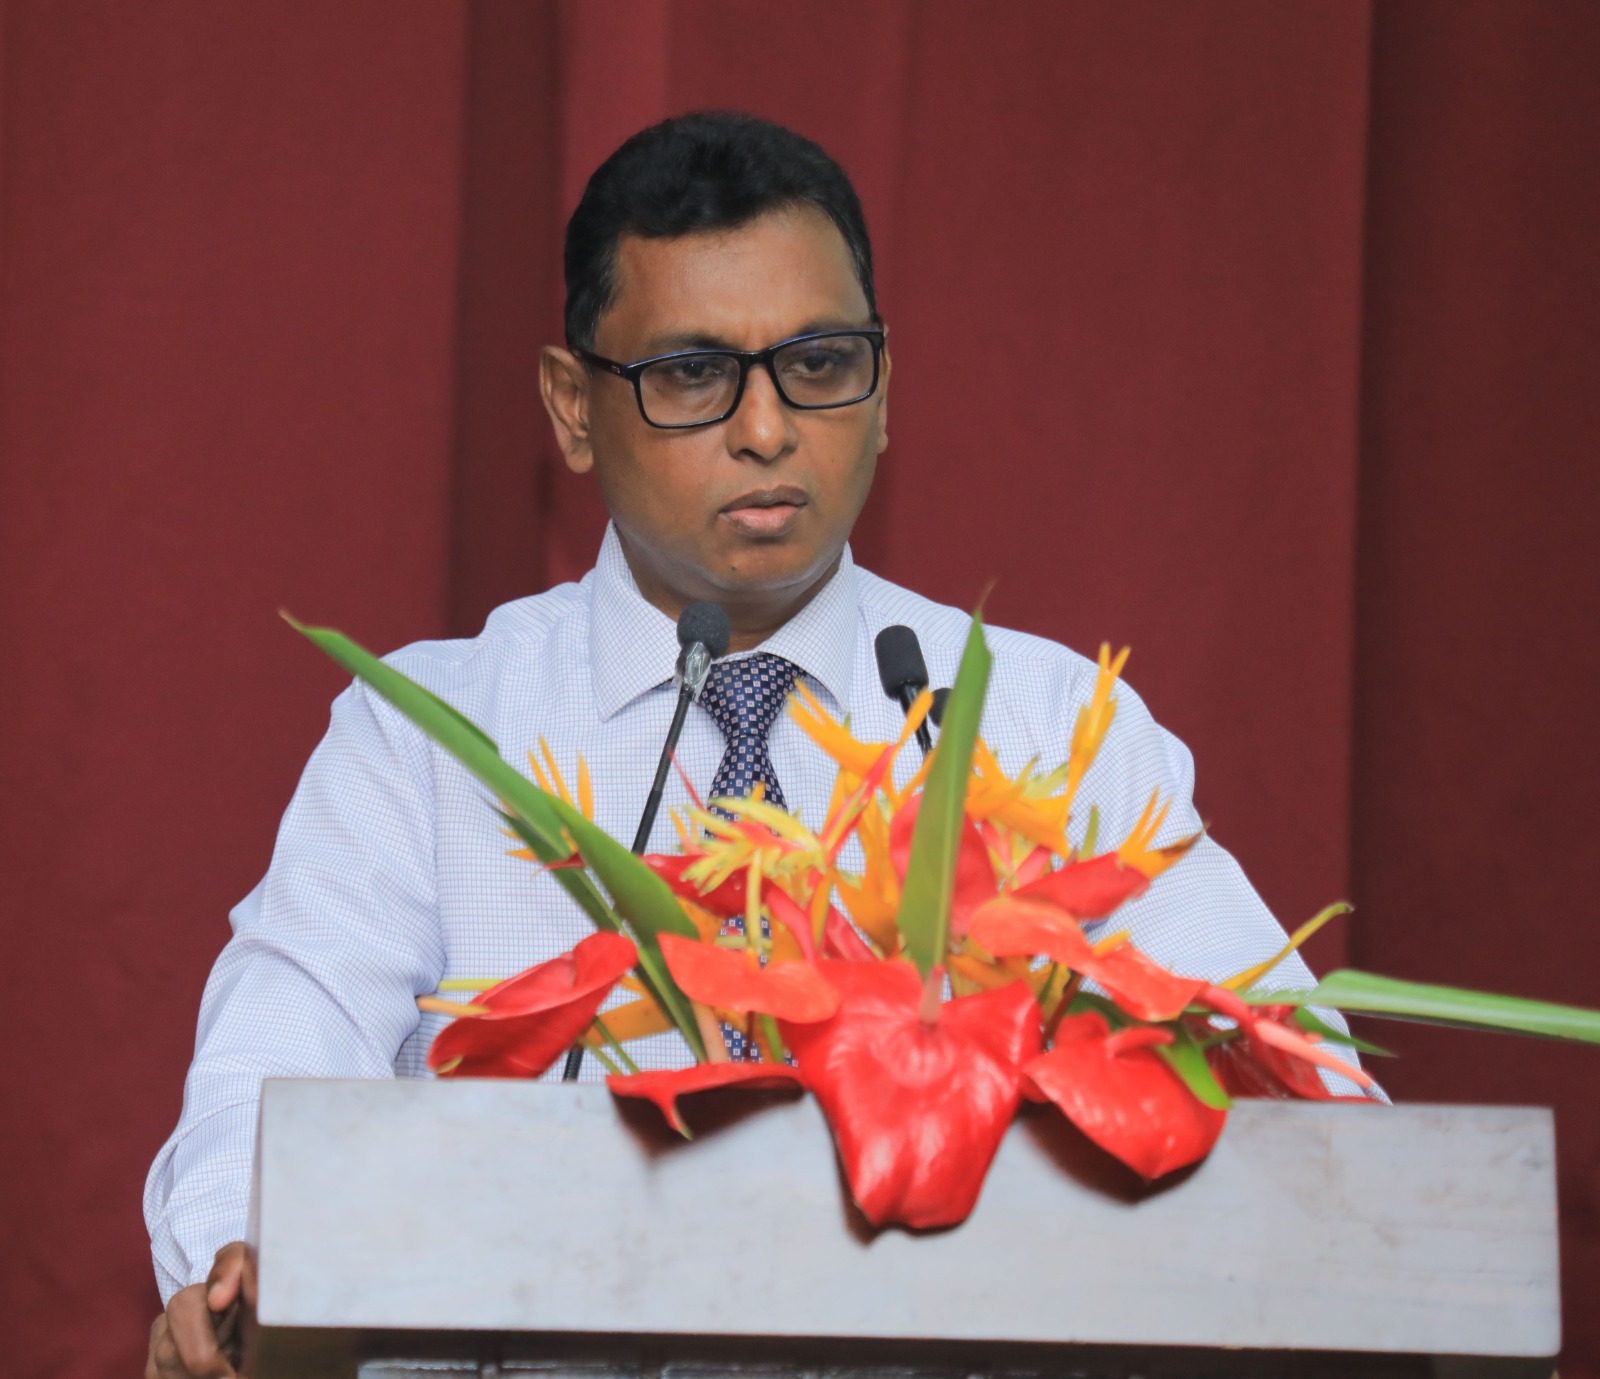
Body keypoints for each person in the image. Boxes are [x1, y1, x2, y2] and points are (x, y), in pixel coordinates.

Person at [144, 111, 1363, 1378]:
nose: (769, 429)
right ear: (571, 407)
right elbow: (281, 1040)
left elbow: (1308, 1097)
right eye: (691, 375)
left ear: (883, 391)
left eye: (820, 363)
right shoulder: (431, 737)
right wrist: (233, 1253)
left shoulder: (1045, 724)